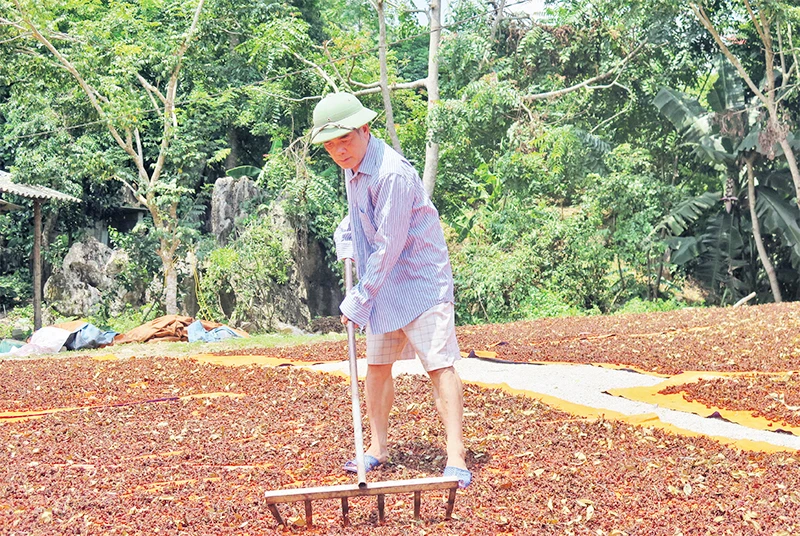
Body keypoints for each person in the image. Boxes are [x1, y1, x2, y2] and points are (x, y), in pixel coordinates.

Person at [310, 92, 471, 488]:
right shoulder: (352, 167)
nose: (338, 151)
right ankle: (377, 448)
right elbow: (357, 219)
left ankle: (456, 456)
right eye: (330, 145)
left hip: (419, 282)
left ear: (365, 129)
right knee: (377, 368)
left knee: (438, 364)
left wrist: (359, 299)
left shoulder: (391, 174)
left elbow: (389, 244)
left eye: (344, 140)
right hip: (383, 287)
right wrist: (345, 237)